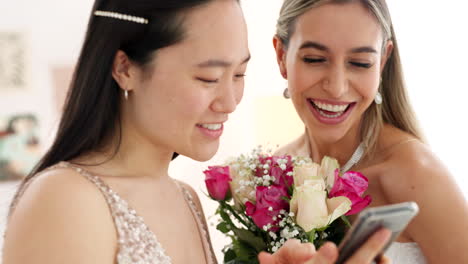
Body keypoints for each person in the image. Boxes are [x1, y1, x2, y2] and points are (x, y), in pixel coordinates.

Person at [2, 0, 391, 263]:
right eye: (208, 77)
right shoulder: (65, 199)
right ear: (125, 68)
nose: (230, 100)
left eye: (239, 74)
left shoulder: (186, 198)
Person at [272, 0, 468, 263]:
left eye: (360, 63)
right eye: (315, 59)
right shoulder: (274, 173)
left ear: (383, 60)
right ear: (281, 56)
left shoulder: (415, 173)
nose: (337, 87)